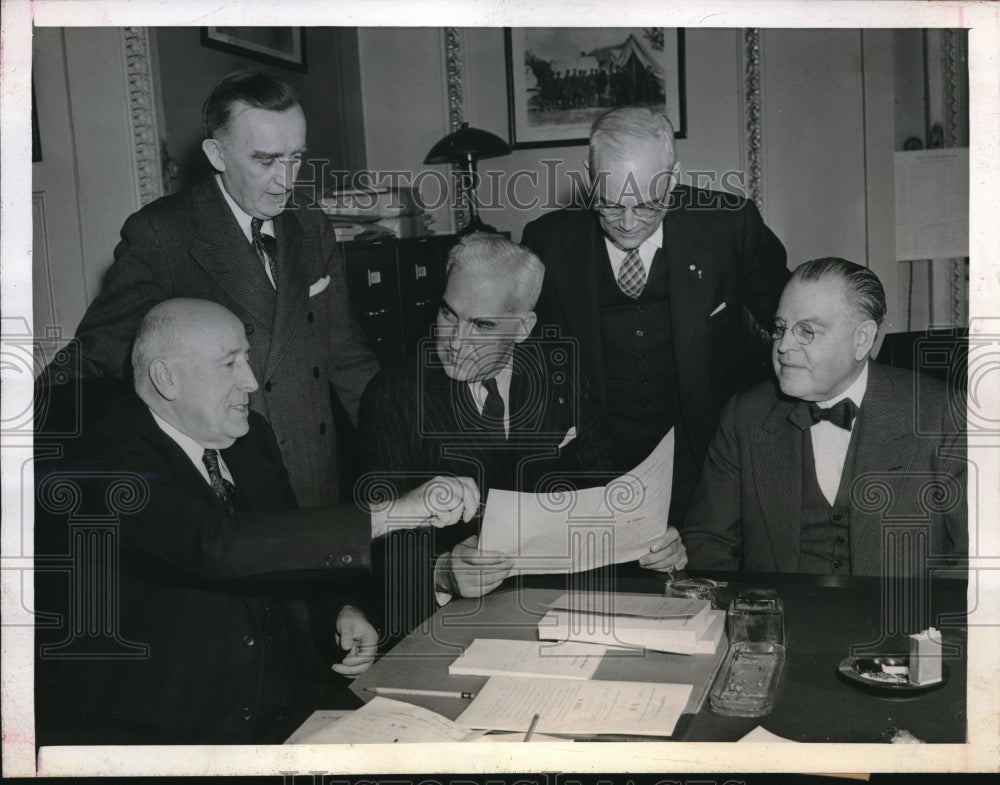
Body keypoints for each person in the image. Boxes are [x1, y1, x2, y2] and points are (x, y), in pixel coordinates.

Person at [33, 299, 461, 745]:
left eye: (248, 358)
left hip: (289, 700)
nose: (252, 382)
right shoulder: (103, 462)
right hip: (174, 729)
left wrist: (337, 609)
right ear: (166, 378)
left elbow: (283, 541)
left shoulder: (248, 436)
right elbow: (216, 543)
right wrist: (396, 512)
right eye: (229, 364)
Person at [47, 70, 378, 507]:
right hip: (231, 488)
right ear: (217, 154)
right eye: (265, 160)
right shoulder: (163, 235)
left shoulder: (311, 226)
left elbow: (348, 359)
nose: (286, 180)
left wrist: (405, 445)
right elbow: (93, 360)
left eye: (296, 157)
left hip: (317, 479)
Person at [358, 234, 687, 633]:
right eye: (448, 314)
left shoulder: (561, 374)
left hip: (567, 607)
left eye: (481, 325)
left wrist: (651, 541)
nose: (456, 342)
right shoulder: (392, 395)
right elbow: (376, 537)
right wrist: (441, 572)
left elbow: (609, 491)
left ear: (522, 327)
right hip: (456, 622)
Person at [521, 106, 789, 523]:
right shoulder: (548, 242)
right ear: (590, 180)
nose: (628, 223)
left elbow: (789, 320)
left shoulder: (729, 227)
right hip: (596, 470)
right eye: (609, 204)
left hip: (707, 460)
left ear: (673, 177)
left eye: (647, 205)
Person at [682, 258, 967, 576]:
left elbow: (977, 556)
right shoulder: (745, 416)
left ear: (862, 339)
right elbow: (707, 542)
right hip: (782, 620)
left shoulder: (942, 415)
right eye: (780, 329)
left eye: (807, 331)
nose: (783, 345)